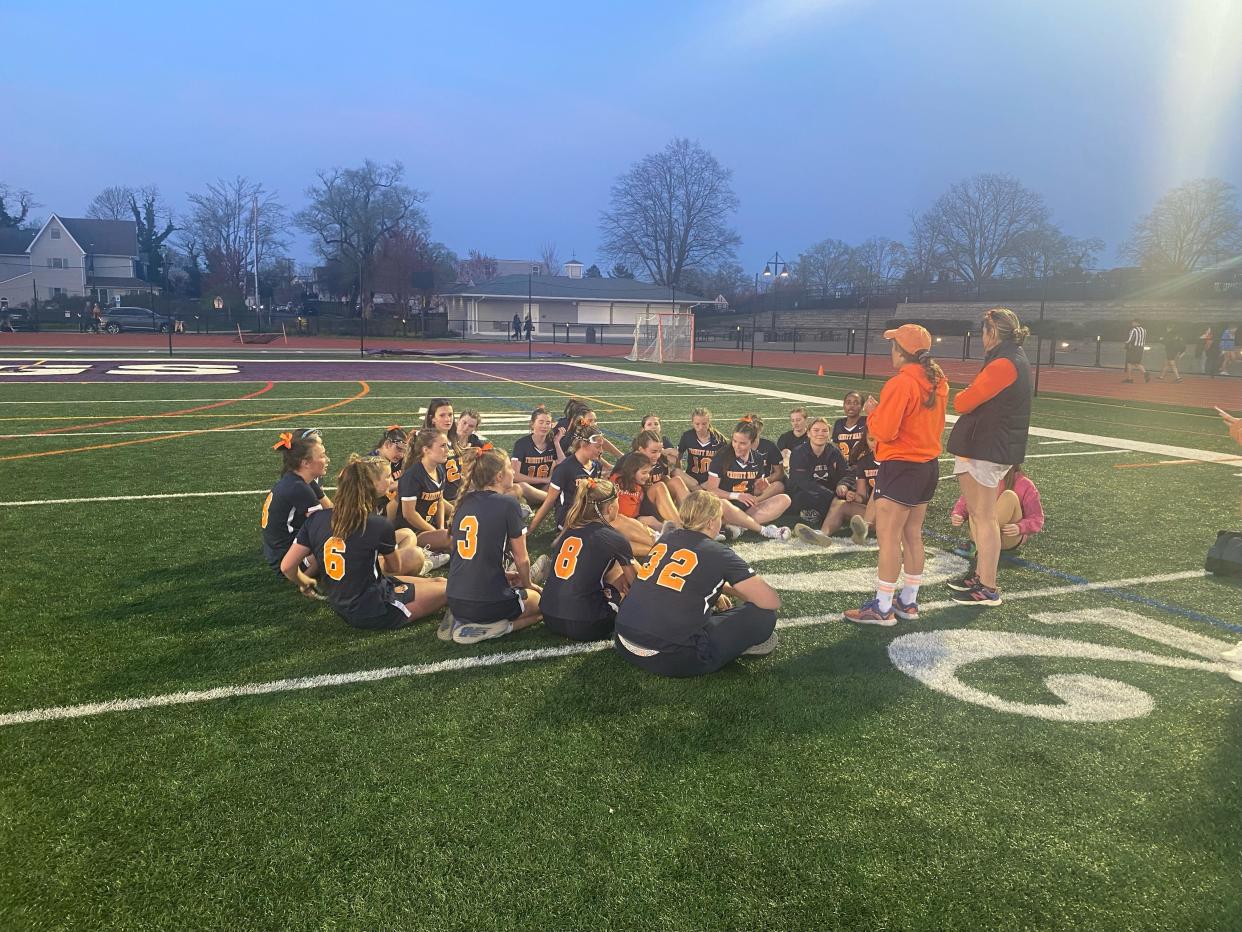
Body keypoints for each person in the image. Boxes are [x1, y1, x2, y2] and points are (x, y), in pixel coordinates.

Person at [842, 324, 948, 625]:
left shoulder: (901, 384)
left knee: (888, 539)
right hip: (928, 466)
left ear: (902, 351)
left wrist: (874, 410)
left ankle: (882, 606)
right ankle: (908, 602)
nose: (891, 351)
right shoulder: (938, 380)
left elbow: (883, 430)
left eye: (893, 346)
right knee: (912, 535)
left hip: (901, 466)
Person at [614, 491, 781, 677]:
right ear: (711, 522)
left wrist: (720, 588)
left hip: (623, 639)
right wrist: (736, 591)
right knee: (764, 616)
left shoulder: (666, 539)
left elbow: (673, 581)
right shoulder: (719, 552)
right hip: (672, 657)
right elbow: (770, 601)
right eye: (720, 517)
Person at [282, 455, 447, 629]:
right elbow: (394, 568)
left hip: (342, 603)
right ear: (372, 484)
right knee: (449, 588)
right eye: (387, 477)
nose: (391, 480)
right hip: (374, 608)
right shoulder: (377, 524)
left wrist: (303, 581)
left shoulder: (316, 518)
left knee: (439, 581)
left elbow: (286, 566)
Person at [945, 308, 1033, 606]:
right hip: (990, 445)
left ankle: (988, 586)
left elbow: (963, 401)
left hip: (987, 446)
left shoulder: (1004, 363)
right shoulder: (1010, 358)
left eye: (983, 332)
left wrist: (967, 393)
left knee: (984, 518)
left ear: (992, 332)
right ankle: (981, 576)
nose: (981, 337)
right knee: (982, 516)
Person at [442, 446, 543, 644]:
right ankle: (499, 627)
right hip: (486, 602)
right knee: (541, 604)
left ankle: (462, 618)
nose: (513, 472)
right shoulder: (507, 504)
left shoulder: (463, 501)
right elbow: (521, 559)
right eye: (509, 469)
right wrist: (528, 584)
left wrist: (501, 576)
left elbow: (466, 554)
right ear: (498, 476)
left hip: (454, 597)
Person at [538, 478, 636, 641]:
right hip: (587, 624)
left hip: (549, 616)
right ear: (611, 507)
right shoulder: (614, 538)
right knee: (627, 584)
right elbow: (634, 584)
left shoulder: (568, 530)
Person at [260, 428, 333, 582]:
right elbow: (325, 528)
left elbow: (330, 510)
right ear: (305, 462)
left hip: (281, 552)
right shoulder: (299, 488)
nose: (327, 460)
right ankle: (303, 578)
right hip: (288, 564)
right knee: (339, 544)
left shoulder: (299, 479)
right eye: (322, 456)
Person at [703, 418, 792, 539]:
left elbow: (754, 491)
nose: (737, 446)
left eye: (742, 443)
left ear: (753, 442)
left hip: (745, 506)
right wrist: (737, 496)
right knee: (722, 503)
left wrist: (761, 489)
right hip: (724, 506)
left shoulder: (758, 458)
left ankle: (738, 526)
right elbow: (711, 490)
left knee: (784, 499)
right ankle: (764, 530)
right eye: (734, 441)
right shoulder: (721, 456)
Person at [950, 465, 1044, 560]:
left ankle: (981, 550)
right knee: (976, 500)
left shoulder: (1024, 484)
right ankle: (981, 549)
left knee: (1009, 496)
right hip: (978, 533)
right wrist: (958, 514)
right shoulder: (983, 477)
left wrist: (1020, 527)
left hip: (1006, 537)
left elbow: (1037, 518)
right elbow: (967, 499)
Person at [788, 417, 850, 543]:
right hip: (807, 493)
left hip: (829, 494)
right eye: (816, 430)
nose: (820, 434)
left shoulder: (834, 451)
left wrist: (843, 485)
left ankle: (821, 522)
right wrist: (832, 495)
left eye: (824, 430)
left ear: (829, 434)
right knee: (805, 497)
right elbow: (803, 482)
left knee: (846, 498)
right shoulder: (799, 452)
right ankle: (819, 516)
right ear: (809, 433)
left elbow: (847, 473)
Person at [398, 428, 454, 563]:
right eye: (442, 445)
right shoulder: (413, 476)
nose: (447, 450)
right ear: (426, 450)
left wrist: (440, 527)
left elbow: (439, 501)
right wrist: (434, 531)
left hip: (431, 526)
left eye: (447, 445)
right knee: (452, 538)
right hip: (413, 532)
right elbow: (409, 514)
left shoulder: (439, 469)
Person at [610, 451, 678, 531]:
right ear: (632, 471)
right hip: (619, 520)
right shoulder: (617, 479)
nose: (647, 476)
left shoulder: (640, 488)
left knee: (650, 520)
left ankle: (674, 531)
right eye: (644, 473)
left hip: (634, 519)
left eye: (649, 473)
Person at [511, 406, 565, 506]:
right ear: (532, 424)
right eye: (541, 422)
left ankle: (547, 499)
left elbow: (564, 465)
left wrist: (557, 443)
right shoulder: (521, 444)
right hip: (527, 487)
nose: (544, 426)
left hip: (544, 487)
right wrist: (544, 479)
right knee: (520, 488)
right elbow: (515, 475)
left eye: (548, 423)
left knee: (561, 482)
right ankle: (554, 500)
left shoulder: (552, 443)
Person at [632, 428, 690, 506]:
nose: (657, 455)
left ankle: (692, 512)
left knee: (676, 480)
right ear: (641, 450)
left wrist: (666, 478)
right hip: (642, 502)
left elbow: (664, 475)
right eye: (653, 452)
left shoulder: (660, 459)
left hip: (660, 497)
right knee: (659, 487)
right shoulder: (633, 463)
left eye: (660, 451)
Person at [677, 407, 727, 492]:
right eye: (697, 424)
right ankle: (697, 490)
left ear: (709, 422)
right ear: (692, 423)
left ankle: (696, 491)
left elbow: (725, 466)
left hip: (710, 479)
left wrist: (707, 484)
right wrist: (681, 470)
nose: (700, 427)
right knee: (676, 471)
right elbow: (678, 455)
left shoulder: (719, 439)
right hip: (692, 479)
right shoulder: (687, 436)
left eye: (704, 424)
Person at [368, 424, 408, 521]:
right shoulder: (371, 464)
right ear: (386, 444)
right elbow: (378, 490)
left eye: (403, 451)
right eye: (398, 449)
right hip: (376, 509)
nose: (401, 454)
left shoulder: (398, 460)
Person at [832, 391, 868, 461]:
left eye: (856, 403)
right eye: (848, 403)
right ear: (844, 405)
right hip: (843, 466)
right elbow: (835, 445)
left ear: (862, 406)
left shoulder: (867, 421)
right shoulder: (839, 423)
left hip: (862, 464)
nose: (851, 406)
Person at [1122, 318, 1148, 383]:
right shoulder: (1144, 330)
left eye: (1133, 322)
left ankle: (1130, 378)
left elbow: (1130, 339)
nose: (1132, 323)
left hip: (1134, 348)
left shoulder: (1134, 330)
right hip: (1141, 348)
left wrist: (1126, 343)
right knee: (1136, 362)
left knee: (1129, 362)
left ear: (1137, 323)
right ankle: (1144, 373)